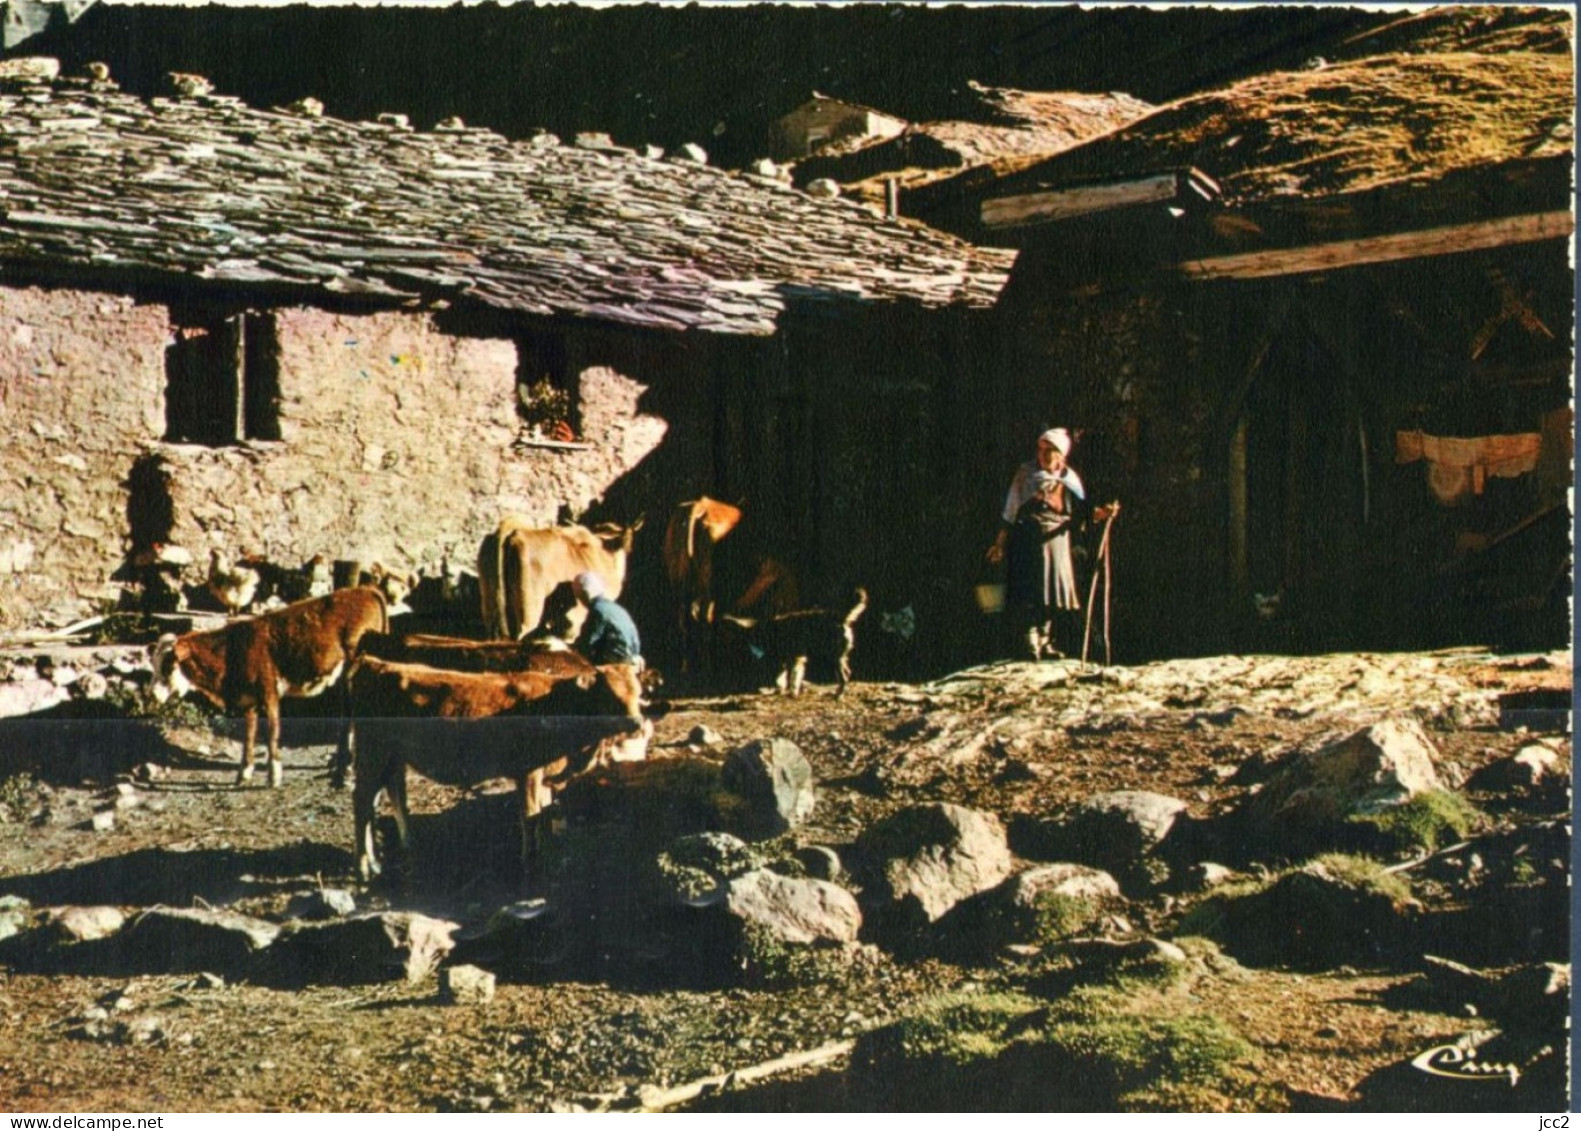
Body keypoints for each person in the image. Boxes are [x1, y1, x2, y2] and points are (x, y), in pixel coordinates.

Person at [987, 427, 1112, 660]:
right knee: (1031, 590)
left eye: (1050, 451)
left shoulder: (1070, 480)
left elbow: (1082, 513)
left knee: (1054, 593)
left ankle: (1045, 641)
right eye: (1041, 449)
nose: (1043, 455)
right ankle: (1030, 640)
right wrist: (1000, 544)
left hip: (1057, 542)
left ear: (1061, 455)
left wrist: (1103, 513)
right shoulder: (1026, 474)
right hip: (1029, 540)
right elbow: (1010, 511)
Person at [571, 570, 643, 668]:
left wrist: (572, 648)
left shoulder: (597, 611)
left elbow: (588, 642)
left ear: (584, 595)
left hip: (616, 660)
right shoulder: (617, 608)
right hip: (633, 657)